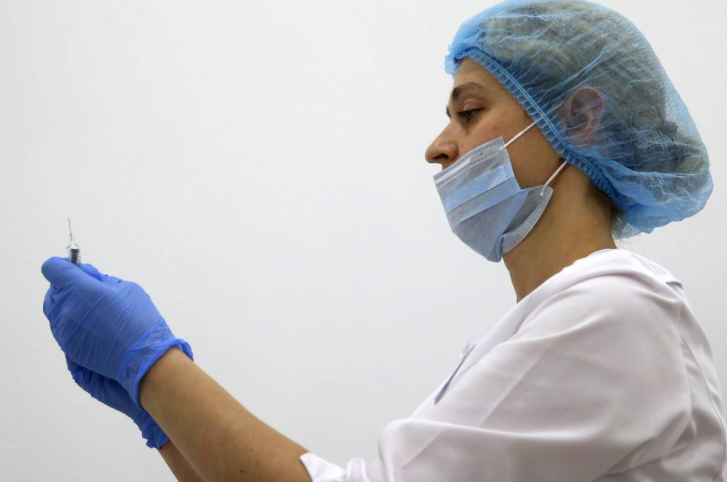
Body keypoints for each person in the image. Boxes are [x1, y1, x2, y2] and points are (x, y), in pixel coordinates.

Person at [40, 0, 725, 481]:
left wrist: (155, 368)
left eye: (469, 110)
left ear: (578, 119)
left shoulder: (616, 312)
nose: (437, 147)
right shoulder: (546, 330)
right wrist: (165, 422)